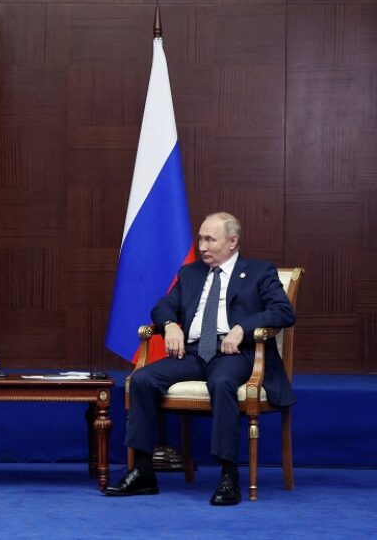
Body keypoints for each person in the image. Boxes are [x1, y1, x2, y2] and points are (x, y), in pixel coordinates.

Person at [104, 212, 295, 505]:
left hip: (234, 353)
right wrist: (170, 326)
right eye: (200, 238)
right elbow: (163, 307)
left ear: (232, 242)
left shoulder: (259, 272)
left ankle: (228, 477)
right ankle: (142, 473)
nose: (202, 246)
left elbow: (283, 312)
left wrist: (243, 328)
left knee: (221, 383)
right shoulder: (190, 274)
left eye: (210, 239)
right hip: (193, 353)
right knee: (142, 379)